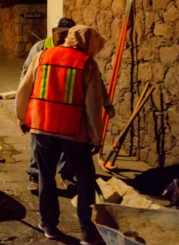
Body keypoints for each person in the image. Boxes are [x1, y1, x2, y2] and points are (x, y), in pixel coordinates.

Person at [16, 25, 106, 245]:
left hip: (42, 126)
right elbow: (93, 105)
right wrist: (96, 138)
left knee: (45, 176)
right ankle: (87, 232)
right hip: (73, 131)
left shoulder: (42, 55)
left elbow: (25, 88)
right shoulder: (87, 64)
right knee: (85, 178)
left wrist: (22, 118)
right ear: (87, 42)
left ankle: (49, 225)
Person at [21, 18, 115, 192]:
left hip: (50, 121)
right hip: (58, 121)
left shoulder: (81, 61)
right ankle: (85, 217)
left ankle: (61, 184)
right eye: (61, 32)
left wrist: (107, 102)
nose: (64, 36)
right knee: (82, 173)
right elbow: (26, 80)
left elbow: (96, 88)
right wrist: (96, 138)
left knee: (48, 171)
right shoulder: (42, 50)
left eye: (68, 33)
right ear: (54, 32)